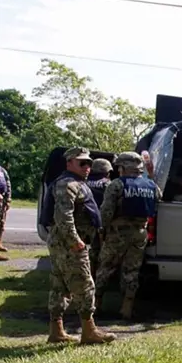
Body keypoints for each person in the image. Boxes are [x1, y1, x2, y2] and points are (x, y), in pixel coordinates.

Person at [39, 147, 115, 344]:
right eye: (82, 163)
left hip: (62, 242)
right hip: (70, 244)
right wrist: (75, 241)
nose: (87, 167)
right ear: (69, 163)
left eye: (89, 163)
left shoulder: (75, 182)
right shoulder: (68, 184)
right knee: (85, 285)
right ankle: (89, 331)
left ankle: (56, 331)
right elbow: (63, 216)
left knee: (60, 286)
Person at [95, 152, 161, 320]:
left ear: (123, 167)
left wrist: (102, 230)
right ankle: (127, 308)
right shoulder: (151, 185)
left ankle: (95, 305)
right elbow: (158, 199)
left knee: (105, 267)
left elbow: (106, 211)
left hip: (118, 233)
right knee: (131, 270)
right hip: (140, 233)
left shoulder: (117, 185)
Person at [86, 158, 112, 276]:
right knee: (102, 250)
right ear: (106, 171)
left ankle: (89, 272)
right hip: (102, 221)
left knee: (91, 248)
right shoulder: (108, 184)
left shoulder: (84, 182)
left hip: (86, 220)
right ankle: (99, 274)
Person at [0, 160, 10, 260]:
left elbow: (8, 184)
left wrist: (8, 199)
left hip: (2, 200)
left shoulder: (1, 170)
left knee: (1, 224)